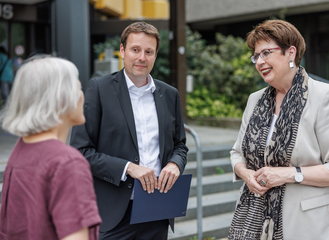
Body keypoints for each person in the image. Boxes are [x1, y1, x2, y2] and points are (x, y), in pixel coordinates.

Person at [228, 20, 329, 240]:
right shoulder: (255, 100)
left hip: (308, 227)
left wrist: (288, 174)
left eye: (266, 53)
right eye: (256, 56)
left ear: (291, 53)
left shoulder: (324, 96)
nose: (260, 61)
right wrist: (246, 174)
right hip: (255, 223)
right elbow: (237, 153)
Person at [70, 21, 188, 239]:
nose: (142, 57)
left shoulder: (170, 94)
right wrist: (129, 168)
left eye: (149, 51)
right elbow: (80, 151)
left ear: (155, 55)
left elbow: (180, 145)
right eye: (135, 50)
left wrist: (174, 163)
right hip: (113, 214)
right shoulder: (99, 89)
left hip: (157, 208)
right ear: (123, 51)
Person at [0, 55, 102, 240]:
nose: (82, 95)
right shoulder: (67, 163)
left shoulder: (21, 148)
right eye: (79, 88)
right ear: (62, 97)